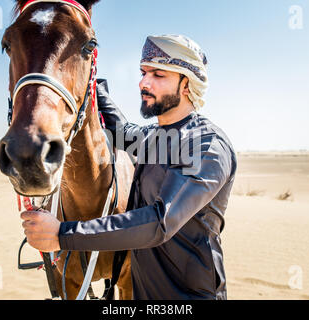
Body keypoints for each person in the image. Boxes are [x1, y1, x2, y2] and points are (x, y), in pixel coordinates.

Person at [21, 34, 237, 300]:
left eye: (158, 75)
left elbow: (160, 222)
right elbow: (120, 130)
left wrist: (62, 235)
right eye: (144, 72)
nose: (144, 82)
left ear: (186, 84)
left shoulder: (204, 145)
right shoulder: (153, 138)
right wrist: (90, 80)